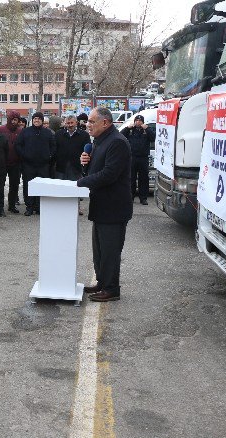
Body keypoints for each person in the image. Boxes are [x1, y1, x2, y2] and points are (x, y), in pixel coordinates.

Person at [77, 107, 132, 302]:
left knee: (110, 251)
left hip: (114, 207)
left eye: (92, 121)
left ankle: (111, 289)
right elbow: (95, 171)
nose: (87, 125)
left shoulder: (117, 143)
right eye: (88, 121)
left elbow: (109, 174)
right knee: (99, 250)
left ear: (105, 123)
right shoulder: (99, 142)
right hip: (101, 205)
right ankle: (102, 282)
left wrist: (81, 183)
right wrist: (85, 164)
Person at [16, 111, 56, 216]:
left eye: (38, 119)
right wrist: (24, 155)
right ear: (32, 120)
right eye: (34, 119)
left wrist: (49, 156)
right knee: (28, 186)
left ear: (42, 121)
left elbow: (53, 146)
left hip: (43, 165)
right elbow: (18, 145)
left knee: (42, 186)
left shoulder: (47, 133)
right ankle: (29, 207)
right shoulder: (25, 132)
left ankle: (39, 207)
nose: (36, 120)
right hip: (28, 165)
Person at [120, 114, 154, 205]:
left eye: (140, 121)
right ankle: (130, 197)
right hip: (132, 157)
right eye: (136, 121)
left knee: (143, 179)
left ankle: (143, 198)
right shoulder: (131, 130)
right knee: (131, 178)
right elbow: (120, 136)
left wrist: (147, 128)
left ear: (143, 122)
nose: (138, 122)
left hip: (143, 158)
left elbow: (153, 137)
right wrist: (127, 127)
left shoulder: (146, 130)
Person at [0, 110, 22, 214]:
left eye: (15, 120)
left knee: (14, 185)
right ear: (8, 119)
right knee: (0, 186)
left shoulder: (21, 131)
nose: (13, 122)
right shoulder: (0, 129)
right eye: (12, 119)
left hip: (16, 163)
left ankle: (11, 205)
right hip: (2, 163)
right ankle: (0, 207)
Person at [54, 114, 91, 180]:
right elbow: (55, 149)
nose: (70, 125)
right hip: (61, 168)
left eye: (72, 123)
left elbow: (87, 151)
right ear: (65, 124)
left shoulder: (84, 135)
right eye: (68, 123)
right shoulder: (58, 134)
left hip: (77, 168)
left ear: (76, 123)